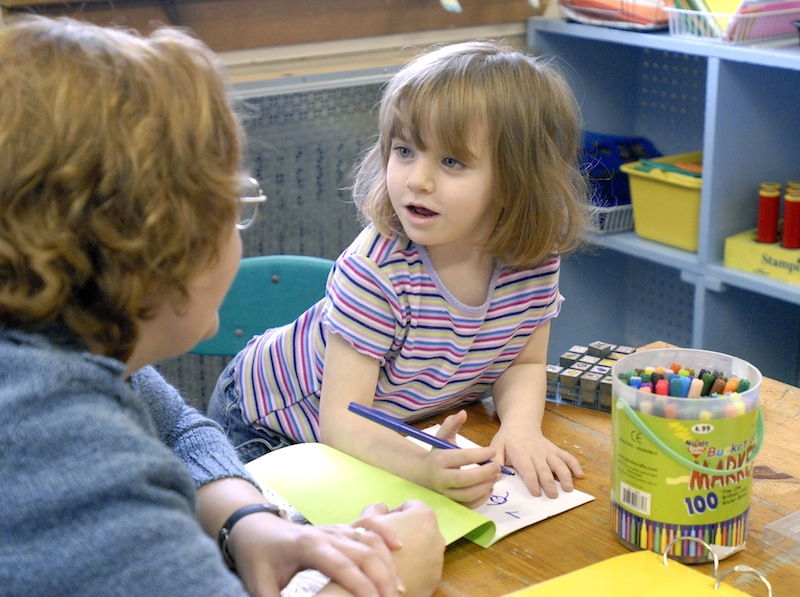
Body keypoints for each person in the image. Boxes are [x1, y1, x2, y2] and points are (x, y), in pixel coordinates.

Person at [0, 16, 444, 597]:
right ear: (156, 240)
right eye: (230, 204)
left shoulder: (59, 346)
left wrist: (248, 524)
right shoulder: (66, 449)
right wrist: (389, 581)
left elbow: (180, 430)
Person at [208, 40, 595, 508]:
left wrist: (519, 428)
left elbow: (523, 362)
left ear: (517, 180)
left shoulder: (533, 261)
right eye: (404, 150)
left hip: (397, 426)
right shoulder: (377, 270)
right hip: (273, 425)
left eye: (451, 161)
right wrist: (422, 468)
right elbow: (343, 421)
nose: (417, 180)